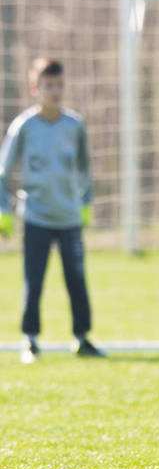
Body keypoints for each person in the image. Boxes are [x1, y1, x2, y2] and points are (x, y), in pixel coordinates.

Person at [0, 58, 104, 363]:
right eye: (48, 86)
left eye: (59, 85)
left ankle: (82, 338)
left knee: (77, 280)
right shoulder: (24, 126)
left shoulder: (75, 125)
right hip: (36, 217)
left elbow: (85, 169)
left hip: (69, 217)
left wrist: (85, 203)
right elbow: (3, 171)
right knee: (34, 281)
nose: (55, 91)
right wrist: (4, 211)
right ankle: (30, 340)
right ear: (36, 88)